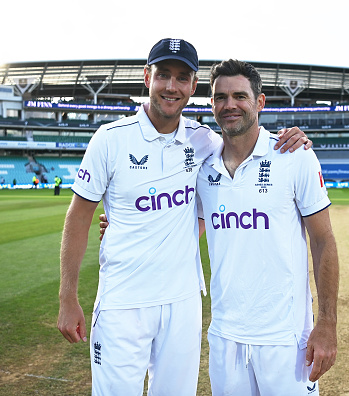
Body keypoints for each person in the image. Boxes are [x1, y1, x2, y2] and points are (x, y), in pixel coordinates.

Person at [57, 38, 311, 396]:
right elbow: (78, 217)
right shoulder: (110, 139)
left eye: (182, 77)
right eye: (163, 75)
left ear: (193, 87)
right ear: (147, 77)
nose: (171, 86)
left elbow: (244, 148)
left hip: (183, 302)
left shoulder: (205, 141)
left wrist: (294, 137)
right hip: (122, 303)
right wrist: (68, 297)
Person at [194, 59, 338, 395]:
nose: (230, 105)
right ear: (212, 104)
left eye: (240, 96)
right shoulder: (203, 167)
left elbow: (323, 239)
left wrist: (328, 322)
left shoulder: (294, 155)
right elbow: (182, 225)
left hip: (284, 340)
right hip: (225, 337)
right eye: (220, 97)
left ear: (259, 102)